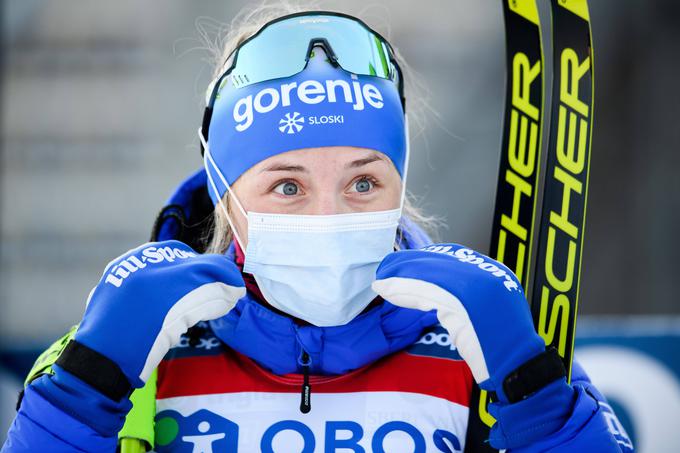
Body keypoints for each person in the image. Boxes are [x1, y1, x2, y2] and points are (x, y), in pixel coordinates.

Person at [1, 5, 633, 453]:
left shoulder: (480, 339)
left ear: (399, 185)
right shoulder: (135, 344)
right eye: (288, 186)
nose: (329, 217)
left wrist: (536, 390)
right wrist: (87, 383)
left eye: (363, 183)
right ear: (226, 193)